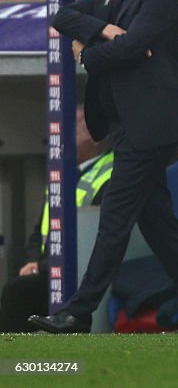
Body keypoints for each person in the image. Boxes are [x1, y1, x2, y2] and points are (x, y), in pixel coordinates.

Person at [33, 0, 178, 334]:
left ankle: (78, 312)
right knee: (160, 226)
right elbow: (62, 16)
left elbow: (135, 48)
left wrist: (86, 52)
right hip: (126, 124)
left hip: (151, 126)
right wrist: (106, 30)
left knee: (115, 215)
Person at [0, 108, 111, 332]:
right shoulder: (60, 174)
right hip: (48, 269)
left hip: (82, 271)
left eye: (71, 129)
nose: (59, 137)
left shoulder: (112, 172)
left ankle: (14, 357)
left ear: (94, 136)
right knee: (20, 288)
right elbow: (38, 231)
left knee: (17, 291)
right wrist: (34, 261)